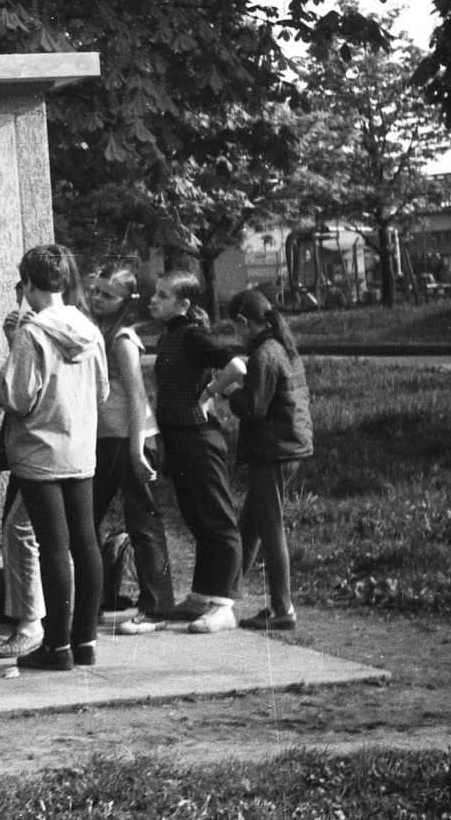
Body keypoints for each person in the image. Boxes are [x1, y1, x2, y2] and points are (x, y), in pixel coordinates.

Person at [0, 245, 109, 671]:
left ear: (28, 284)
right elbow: (102, 393)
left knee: (52, 546)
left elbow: (19, 398)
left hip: (40, 451)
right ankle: (85, 642)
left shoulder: (31, 333)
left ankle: (56, 646)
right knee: (86, 543)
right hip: (81, 448)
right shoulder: (89, 329)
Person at [148, 267, 247, 634]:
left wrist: (208, 394)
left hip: (200, 439)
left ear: (183, 304)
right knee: (197, 518)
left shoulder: (192, 335)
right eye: (155, 294)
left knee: (218, 522)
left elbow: (237, 366)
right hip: (178, 439)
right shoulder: (171, 336)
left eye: (161, 296)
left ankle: (224, 605)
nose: (152, 300)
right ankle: (202, 594)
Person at [87, 268, 178, 635]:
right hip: (105, 440)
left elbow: (138, 396)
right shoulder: (97, 332)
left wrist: (138, 449)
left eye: (107, 296)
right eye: (94, 292)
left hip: (134, 439)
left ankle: (157, 606)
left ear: (126, 303)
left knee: (144, 522)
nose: (96, 299)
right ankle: (89, 604)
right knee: (86, 518)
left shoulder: (123, 338)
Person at [216, 289, 313, 631]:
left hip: (273, 448)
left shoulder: (263, 354)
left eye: (234, 327)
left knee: (270, 529)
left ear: (244, 322)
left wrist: (229, 393)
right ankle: (225, 594)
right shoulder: (282, 346)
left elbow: (254, 408)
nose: (235, 334)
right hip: (288, 443)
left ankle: (282, 608)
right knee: (252, 524)